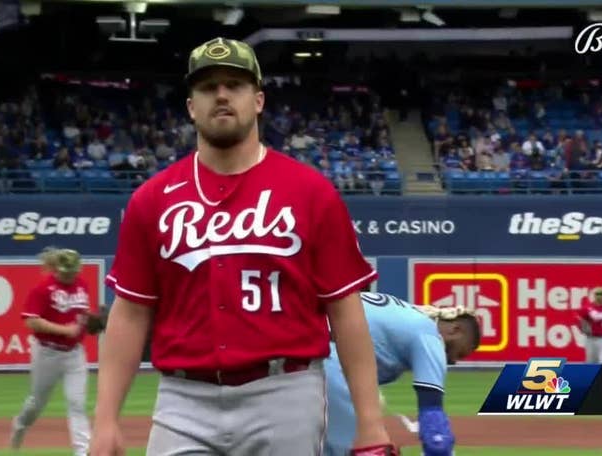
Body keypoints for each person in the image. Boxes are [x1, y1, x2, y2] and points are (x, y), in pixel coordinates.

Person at [90, 37, 394, 456]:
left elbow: (345, 309)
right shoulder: (153, 199)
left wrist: (370, 423)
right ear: (191, 106)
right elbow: (129, 313)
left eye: (234, 84)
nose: (221, 94)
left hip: (283, 393)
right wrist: (105, 421)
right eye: (207, 86)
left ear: (258, 100)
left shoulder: (310, 192)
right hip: (183, 400)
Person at [323, 292, 481, 456]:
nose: (454, 361)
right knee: (365, 446)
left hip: (306, 355)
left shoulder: (408, 316)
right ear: (456, 330)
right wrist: (439, 447)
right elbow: (432, 418)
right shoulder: (429, 334)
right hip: (328, 358)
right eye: (460, 353)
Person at [10, 247, 94, 456]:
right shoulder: (43, 288)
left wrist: (92, 321)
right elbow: (31, 321)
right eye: (66, 271)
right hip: (47, 353)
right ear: (56, 268)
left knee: (77, 403)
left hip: (75, 354)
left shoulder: (82, 285)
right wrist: (65, 330)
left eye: (73, 271)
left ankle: (83, 452)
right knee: (37, 403)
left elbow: (81, 315)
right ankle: (21, 424)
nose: (70, 275)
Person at [578, 286, 602, 363]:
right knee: (591, 362)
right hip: (591, 338)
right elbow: (581, 320)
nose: (600, 296)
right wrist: (583, 328)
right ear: (594, 295)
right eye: (598, 294)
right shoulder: (587, 308)